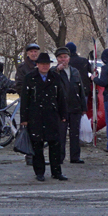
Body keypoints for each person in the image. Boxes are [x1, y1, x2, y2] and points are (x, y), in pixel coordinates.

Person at [18, 51, 68, 181]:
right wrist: (24, 119)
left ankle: (56, 172)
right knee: (37, 145)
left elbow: (61, 97)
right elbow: (25, 99)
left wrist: (63, 114)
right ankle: (39, 172)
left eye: (47, 64)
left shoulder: (55, 77)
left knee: (55, 144)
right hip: (35, 116)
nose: (44, 66)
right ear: (37, 65)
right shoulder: (30, 78)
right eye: (42, 64)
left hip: (52, 115)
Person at [54, 47, 87, 164]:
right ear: (57, 59)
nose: (63, 60)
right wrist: (57, 70)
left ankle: (75, 157)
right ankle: (59, 157)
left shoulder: (75, 71)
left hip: (75, 107)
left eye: (65, 57)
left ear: (69, 58)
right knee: (60, 134)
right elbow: (50, 83)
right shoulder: (54, 71)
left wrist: (84, 107)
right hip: (61, 108)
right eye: (60, 57)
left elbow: (81, 90)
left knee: (75, 133)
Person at [65, 42, 94, 125]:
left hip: (70, 91)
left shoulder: (68, 62)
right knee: (82, 111)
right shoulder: (84, 61)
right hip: (84, 90)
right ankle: (81, 128)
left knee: (71, 112)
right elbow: (93, 72)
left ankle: (72, 127)